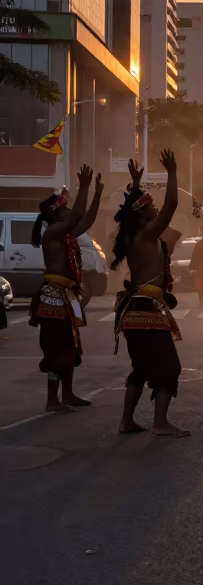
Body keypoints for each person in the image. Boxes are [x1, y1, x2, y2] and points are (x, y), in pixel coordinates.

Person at [113, 152, 189, 437]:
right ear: (144, 213)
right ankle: (160, 423)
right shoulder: (146, 235)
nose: (157, 210)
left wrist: (135, 182)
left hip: (136, 310)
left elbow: (153, 208)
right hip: (147, 309)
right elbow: (171, 205)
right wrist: (172, 172)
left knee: (141, 368)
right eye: (152, 207)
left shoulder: (136, 236)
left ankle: (126, 421)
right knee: (170, 368)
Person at [29, 165, 103, 412]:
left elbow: (86, 219)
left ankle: (68, 394)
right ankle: (53, 400)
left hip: (67, 297)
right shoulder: (52, 233)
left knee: (70, 347)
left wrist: (97, 194)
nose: (69, 210)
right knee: (56, 349)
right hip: (53, 298)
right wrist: (83, 187)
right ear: (56, 213)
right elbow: (76, 217)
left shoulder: (66, 235)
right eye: (65, 207)